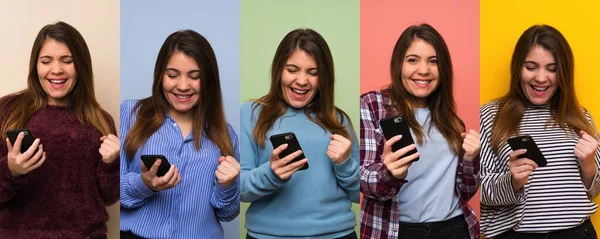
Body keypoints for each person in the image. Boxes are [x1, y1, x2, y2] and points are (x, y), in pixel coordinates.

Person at [360, 23, 481, 239]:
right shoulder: (373, 105)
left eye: (433, 61)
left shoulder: (453, 122)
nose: (423, 70)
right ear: (399, 64)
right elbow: (362, 179)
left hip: (453, 228)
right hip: (396, 231)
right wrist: (389, 172)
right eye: (412, 60)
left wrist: (472, 159)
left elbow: (465, 192)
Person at [0, 21, 119, 239]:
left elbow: (108, 197)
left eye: (67, 61)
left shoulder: (100, 121)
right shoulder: (8, 110)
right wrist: (11, 170)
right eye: (46, 61)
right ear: (35, 65)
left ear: (81, 66)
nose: (56, 70)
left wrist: (111, 165)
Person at [480, 24, 600, 239]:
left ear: (563, 72)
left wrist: (589, 164)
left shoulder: (580, 116)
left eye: (552, 69)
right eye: (531, 67)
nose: (541, 78)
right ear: (518, 68)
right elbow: (475, 189)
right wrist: (512, 181)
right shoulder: (491, 115)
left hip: (576, 233)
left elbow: (595, 191)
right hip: (516, 234)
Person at [240, 28, 360, 239]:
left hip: (337, 234)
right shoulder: (250, 114)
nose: (302, 81)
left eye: (313, 73)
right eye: (292, 69)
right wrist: (272, 173)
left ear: (324, 77)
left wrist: (345, 164)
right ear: (279, 70)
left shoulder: (338, 121)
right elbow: (237, 190)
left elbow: (359, 194)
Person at [119, 30, 240, 239]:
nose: (183, 86)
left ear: (208, 81)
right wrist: (144, 184)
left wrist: (227, 186)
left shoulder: (225, 135)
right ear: (160, 76)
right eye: (172, 75)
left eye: (195, 76)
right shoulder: (131, 114)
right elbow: (111, 192)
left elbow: (229, 213)